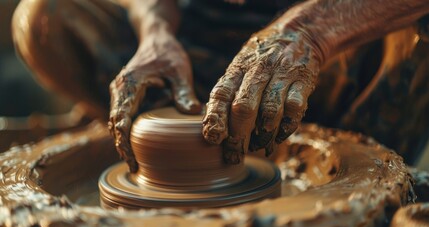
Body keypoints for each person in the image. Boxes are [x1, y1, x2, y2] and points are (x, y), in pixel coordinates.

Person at [12, 0, 429, 173]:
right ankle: (181, 159)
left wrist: (310, 32)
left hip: (341, 41)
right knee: (45, 16)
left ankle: (367, 165)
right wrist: (155, 32)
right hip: (199, 45)